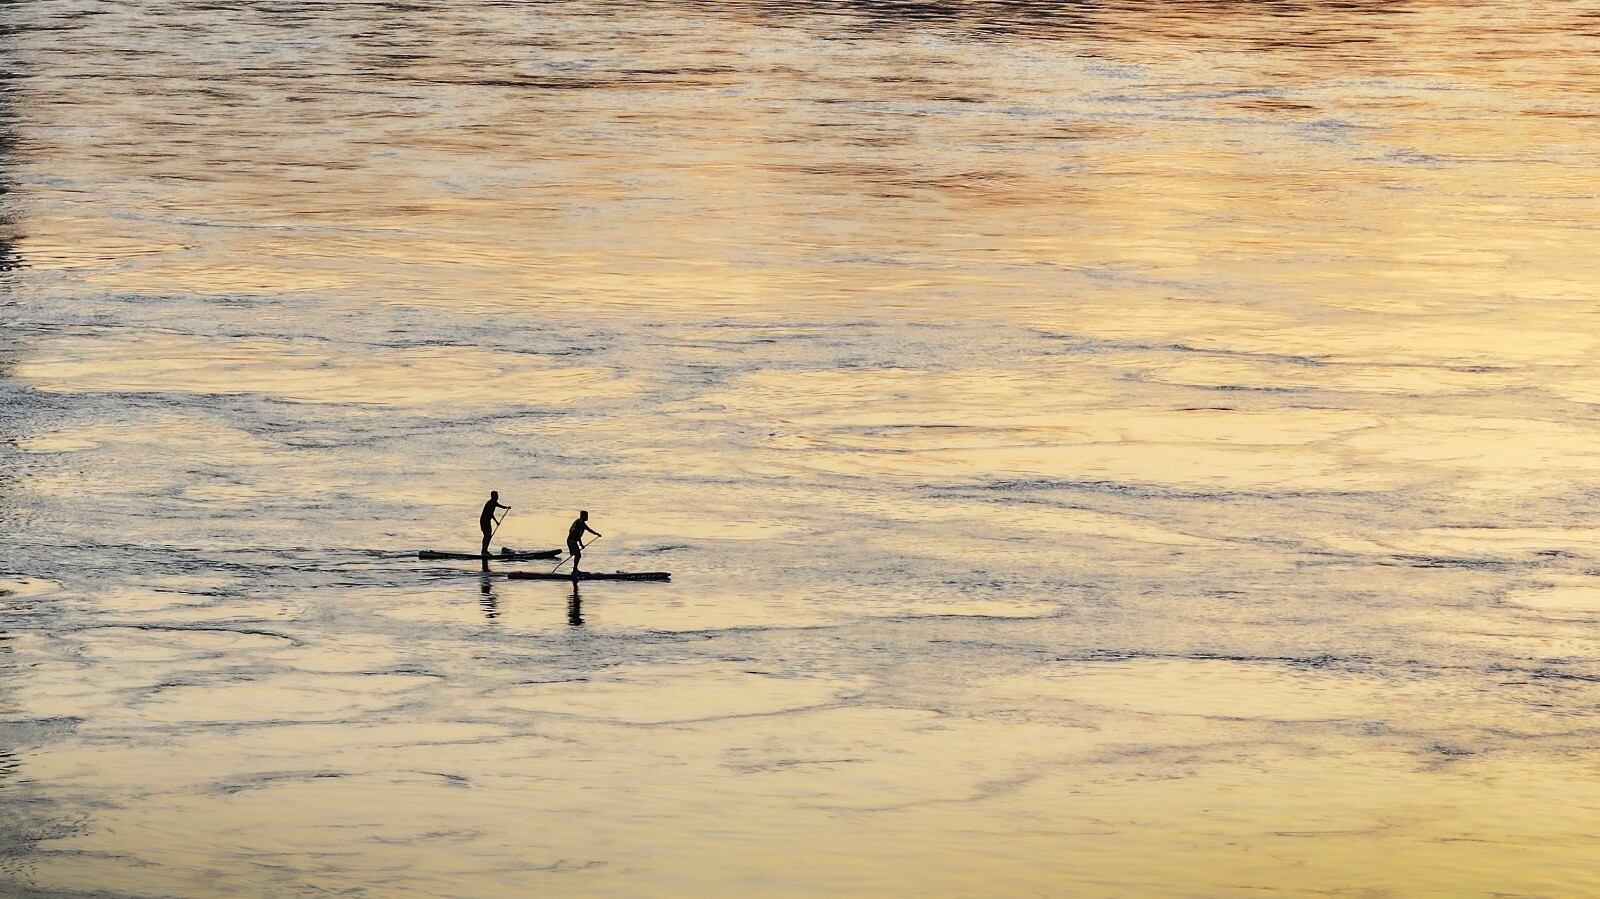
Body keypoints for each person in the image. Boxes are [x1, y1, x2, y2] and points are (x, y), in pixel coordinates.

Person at [566, 510, 601, 575]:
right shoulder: (580, 523)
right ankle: (575, 570)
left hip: (572, 541)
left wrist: (581, 544)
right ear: (582, 516)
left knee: (577, 555)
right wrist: (596, 534)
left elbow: (579, 534)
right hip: (571, 541)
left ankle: (575, 569)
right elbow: (586, 530)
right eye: (586, 516)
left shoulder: (580, 522)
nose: (587, 517)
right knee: (578, 555)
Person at [480, 491, 510, 557]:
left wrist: (507, 507)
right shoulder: (490, 503)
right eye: (496, 496)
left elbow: (501, 506)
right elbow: (490, 514)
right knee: (487, 535)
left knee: (488, 536)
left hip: (487, 521)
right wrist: (496, 522)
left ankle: (484, 550)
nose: (497, 497)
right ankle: (484, 551)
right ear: (493, 496)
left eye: (497, 495)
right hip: (484, 521)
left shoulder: (494, 502)